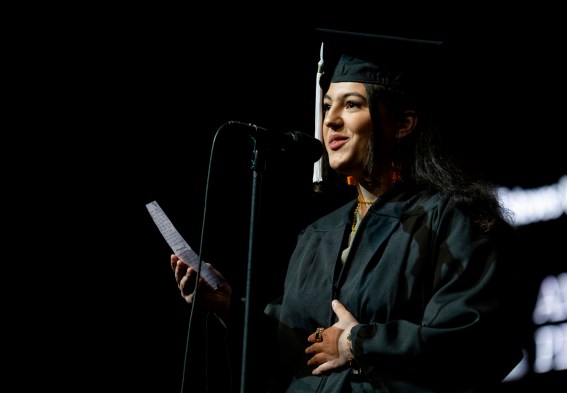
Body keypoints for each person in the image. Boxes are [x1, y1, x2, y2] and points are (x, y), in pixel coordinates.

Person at [170, 28, 527, 393]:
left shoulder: (451, 220)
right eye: (327, 106)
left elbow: (474, 338)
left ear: (403, 124)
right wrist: (229, 305)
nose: (331, 120)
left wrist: (359, 343)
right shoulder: (317, 236)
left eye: (352, 104)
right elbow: (295, 349)